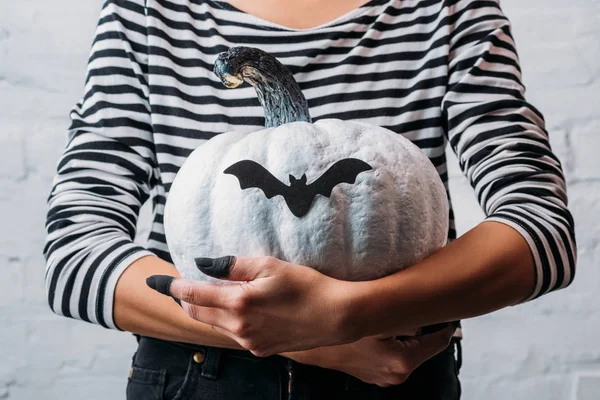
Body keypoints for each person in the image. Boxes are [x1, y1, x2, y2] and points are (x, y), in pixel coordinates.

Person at [43, 0, 576, 399]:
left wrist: (351, 312)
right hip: (201, 374)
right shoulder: (147, 12)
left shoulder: (446, 9)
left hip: (394, 376)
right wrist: (319, 336)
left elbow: (541, 228)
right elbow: (74, 256)